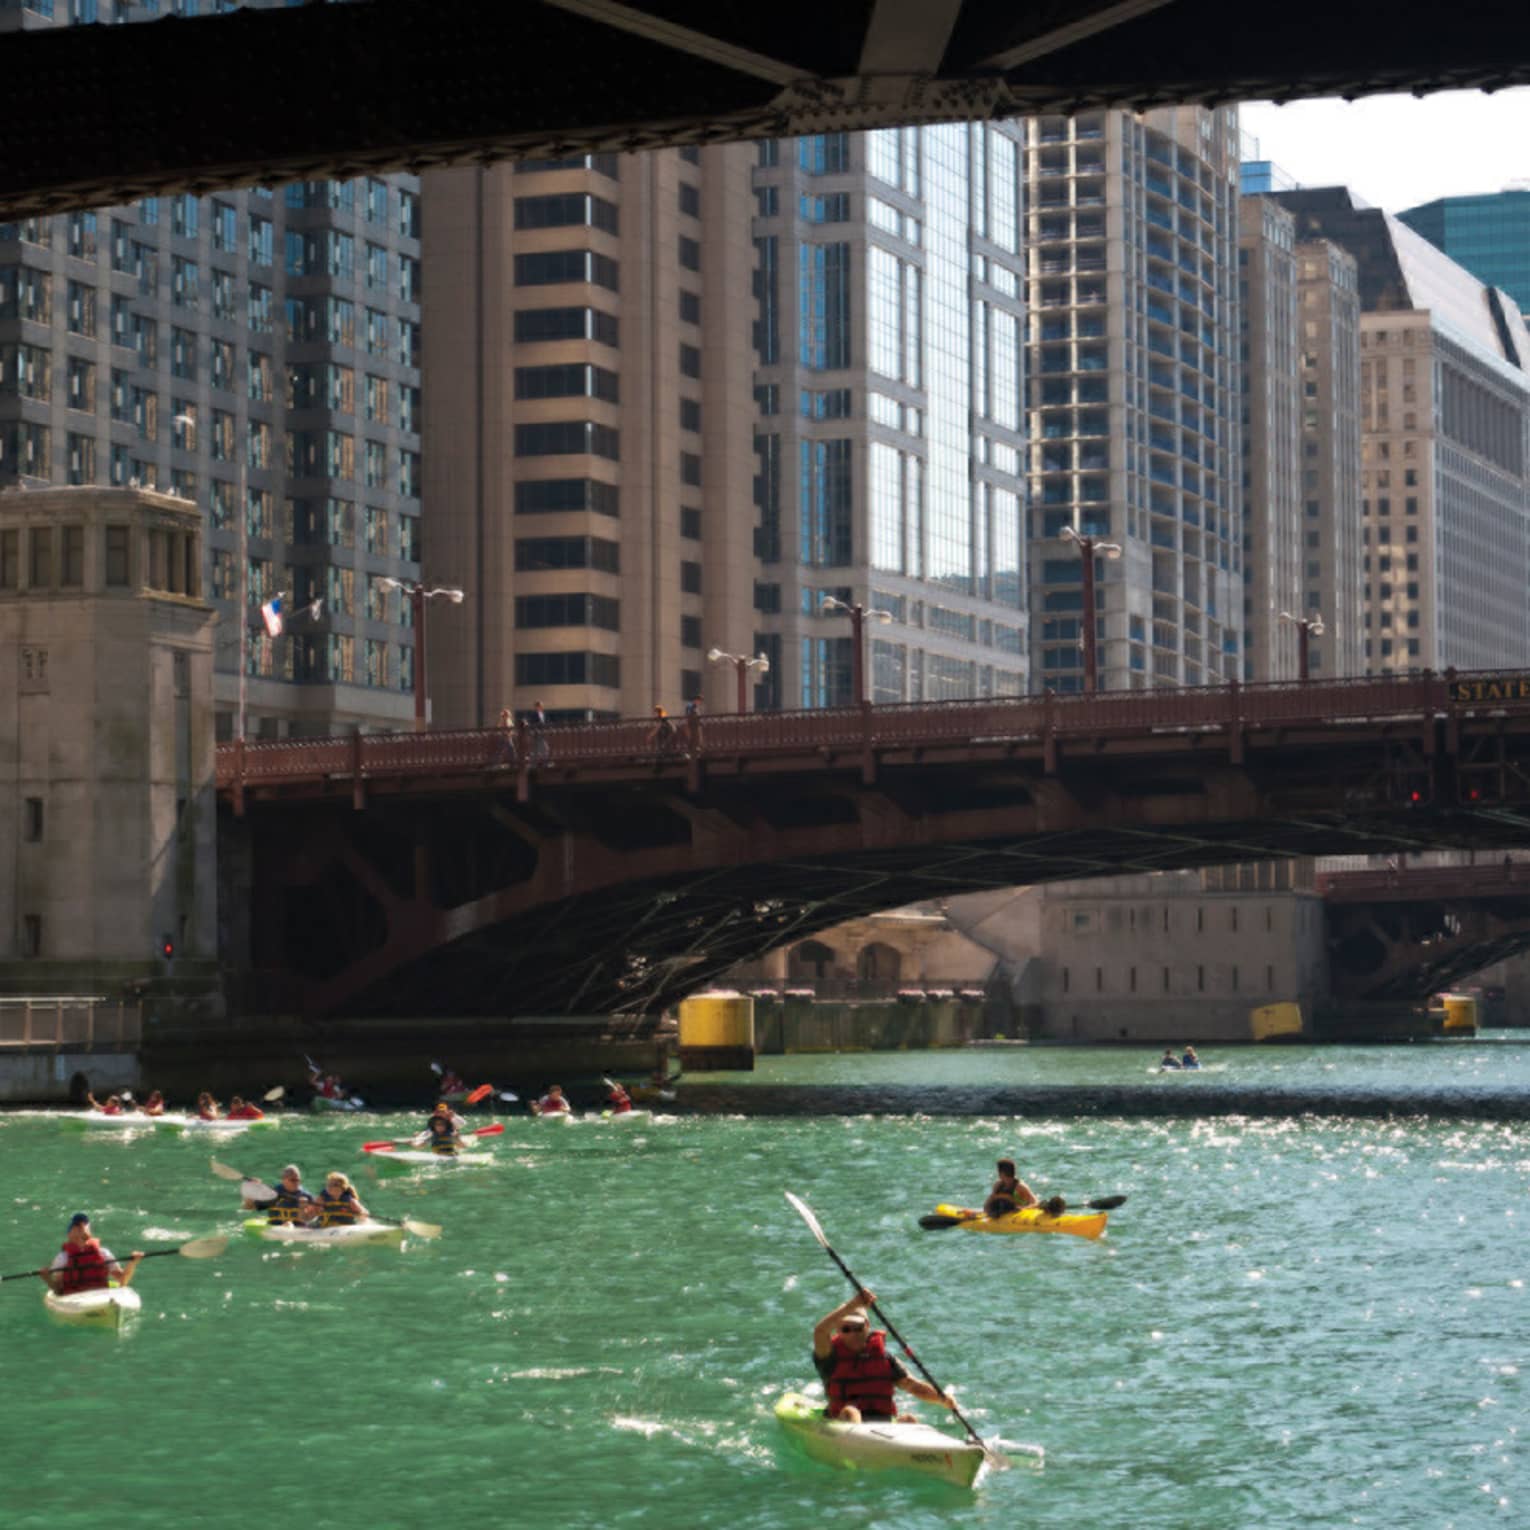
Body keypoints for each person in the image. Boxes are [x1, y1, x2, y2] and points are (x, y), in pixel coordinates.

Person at [812, 1291, 955, 1424]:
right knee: (851, 1412)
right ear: (838, 1330)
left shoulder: (885, 1359)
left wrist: (941, 1398)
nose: (853, 1334)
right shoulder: (829, 1356)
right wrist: (853, 1304)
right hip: (843, 1421)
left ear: (867, 1326)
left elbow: (913, 1386)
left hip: (881, 1424)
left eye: (858, 1328)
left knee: (909, 1420)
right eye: (846, 1329)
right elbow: (820, 1332)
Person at [39, 1213, 144, 1295]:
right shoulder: (63, 1258)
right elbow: (58, 1290)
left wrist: (132, 1263)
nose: (82, 1227)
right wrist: (47, 1278)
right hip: (75, 1298)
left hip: (101, 1295)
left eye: (85, 1224)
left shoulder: (103, 1253)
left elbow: (122, 1280)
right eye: (77, 1225)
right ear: (69, 1234)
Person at [244, 1164, 316, 1225]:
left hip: (297, 1229)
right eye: (293, 1180)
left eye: (298, 1180)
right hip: (275, 1227)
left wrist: (302, 1209)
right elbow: (248, 1207)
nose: (296, 1183)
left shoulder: (306, 1196)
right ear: (283, 1180)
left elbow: (311, 1219)